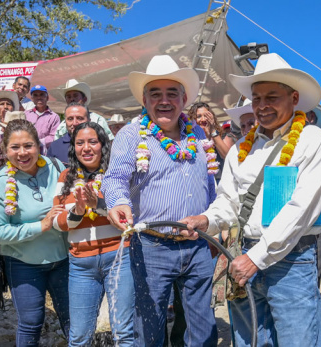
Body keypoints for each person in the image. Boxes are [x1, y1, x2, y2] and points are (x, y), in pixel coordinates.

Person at [181, 53, 321, 347]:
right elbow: (228, 201)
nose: (262, 105)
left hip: (292, 262)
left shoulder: (315, 140)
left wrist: (256, 257)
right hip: (244, 257)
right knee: (250, 342)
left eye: (271, 97)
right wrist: (206, 220)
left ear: (293, 98)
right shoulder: (242, 146)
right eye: (256, 97)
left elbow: (302, 209)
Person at [101, 54, 217, 346]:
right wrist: (117, 202)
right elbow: (114, 178)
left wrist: (216, 227)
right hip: (152, 246)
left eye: (172, 93)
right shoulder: (131, 134)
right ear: (144, 98)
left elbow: (209, 183)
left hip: (198, 243)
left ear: (184, 98)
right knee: (149, 328)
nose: (164, 100)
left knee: (202, 329)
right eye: (156, 93)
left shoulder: (199, 134)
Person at [0, 120, 69, 346]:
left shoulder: (56, 167)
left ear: (39, 146)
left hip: (63, 261)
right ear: (5, 150)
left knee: (73, 320)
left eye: (28, 145)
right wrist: (40, 226)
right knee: (31, 322)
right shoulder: (0, 182)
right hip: (23, 263)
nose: (22, 153)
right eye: (15, 147)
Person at [53, 122, 134, 346]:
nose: (86, 148)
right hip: (81, 264)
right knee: (79, 336)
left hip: (119, 258)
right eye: (80, 143)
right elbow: (57, 222)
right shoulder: (65, 177)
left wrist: (97, 204)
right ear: (73, 147)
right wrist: (77, 212)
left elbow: (128, 217)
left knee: (124, 333)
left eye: (92, 142)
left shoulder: (115, 174)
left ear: (103, 145)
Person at [189, 102, 236, 182]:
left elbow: (227, 156)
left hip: (219, 180)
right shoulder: (190, 139)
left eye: (206, 116)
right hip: (197, 180)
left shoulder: (219, 136)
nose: (203, 119)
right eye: (199, 116)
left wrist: (212, 131)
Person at [47, 103, 89, 167]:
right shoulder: (55, 146)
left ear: (89, 120)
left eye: (80, 118)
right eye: (70, 119)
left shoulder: (98, 145)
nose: (75, 123)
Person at [24, 85, 60, 152]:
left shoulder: (54, 117)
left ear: (47, 97)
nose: (39, 97)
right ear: (32, 98)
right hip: (27, 151)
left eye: (42, 95)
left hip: (45, 153)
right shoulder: (26, 114)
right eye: (35, 95)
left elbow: (53, 136)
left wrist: (37, 142)